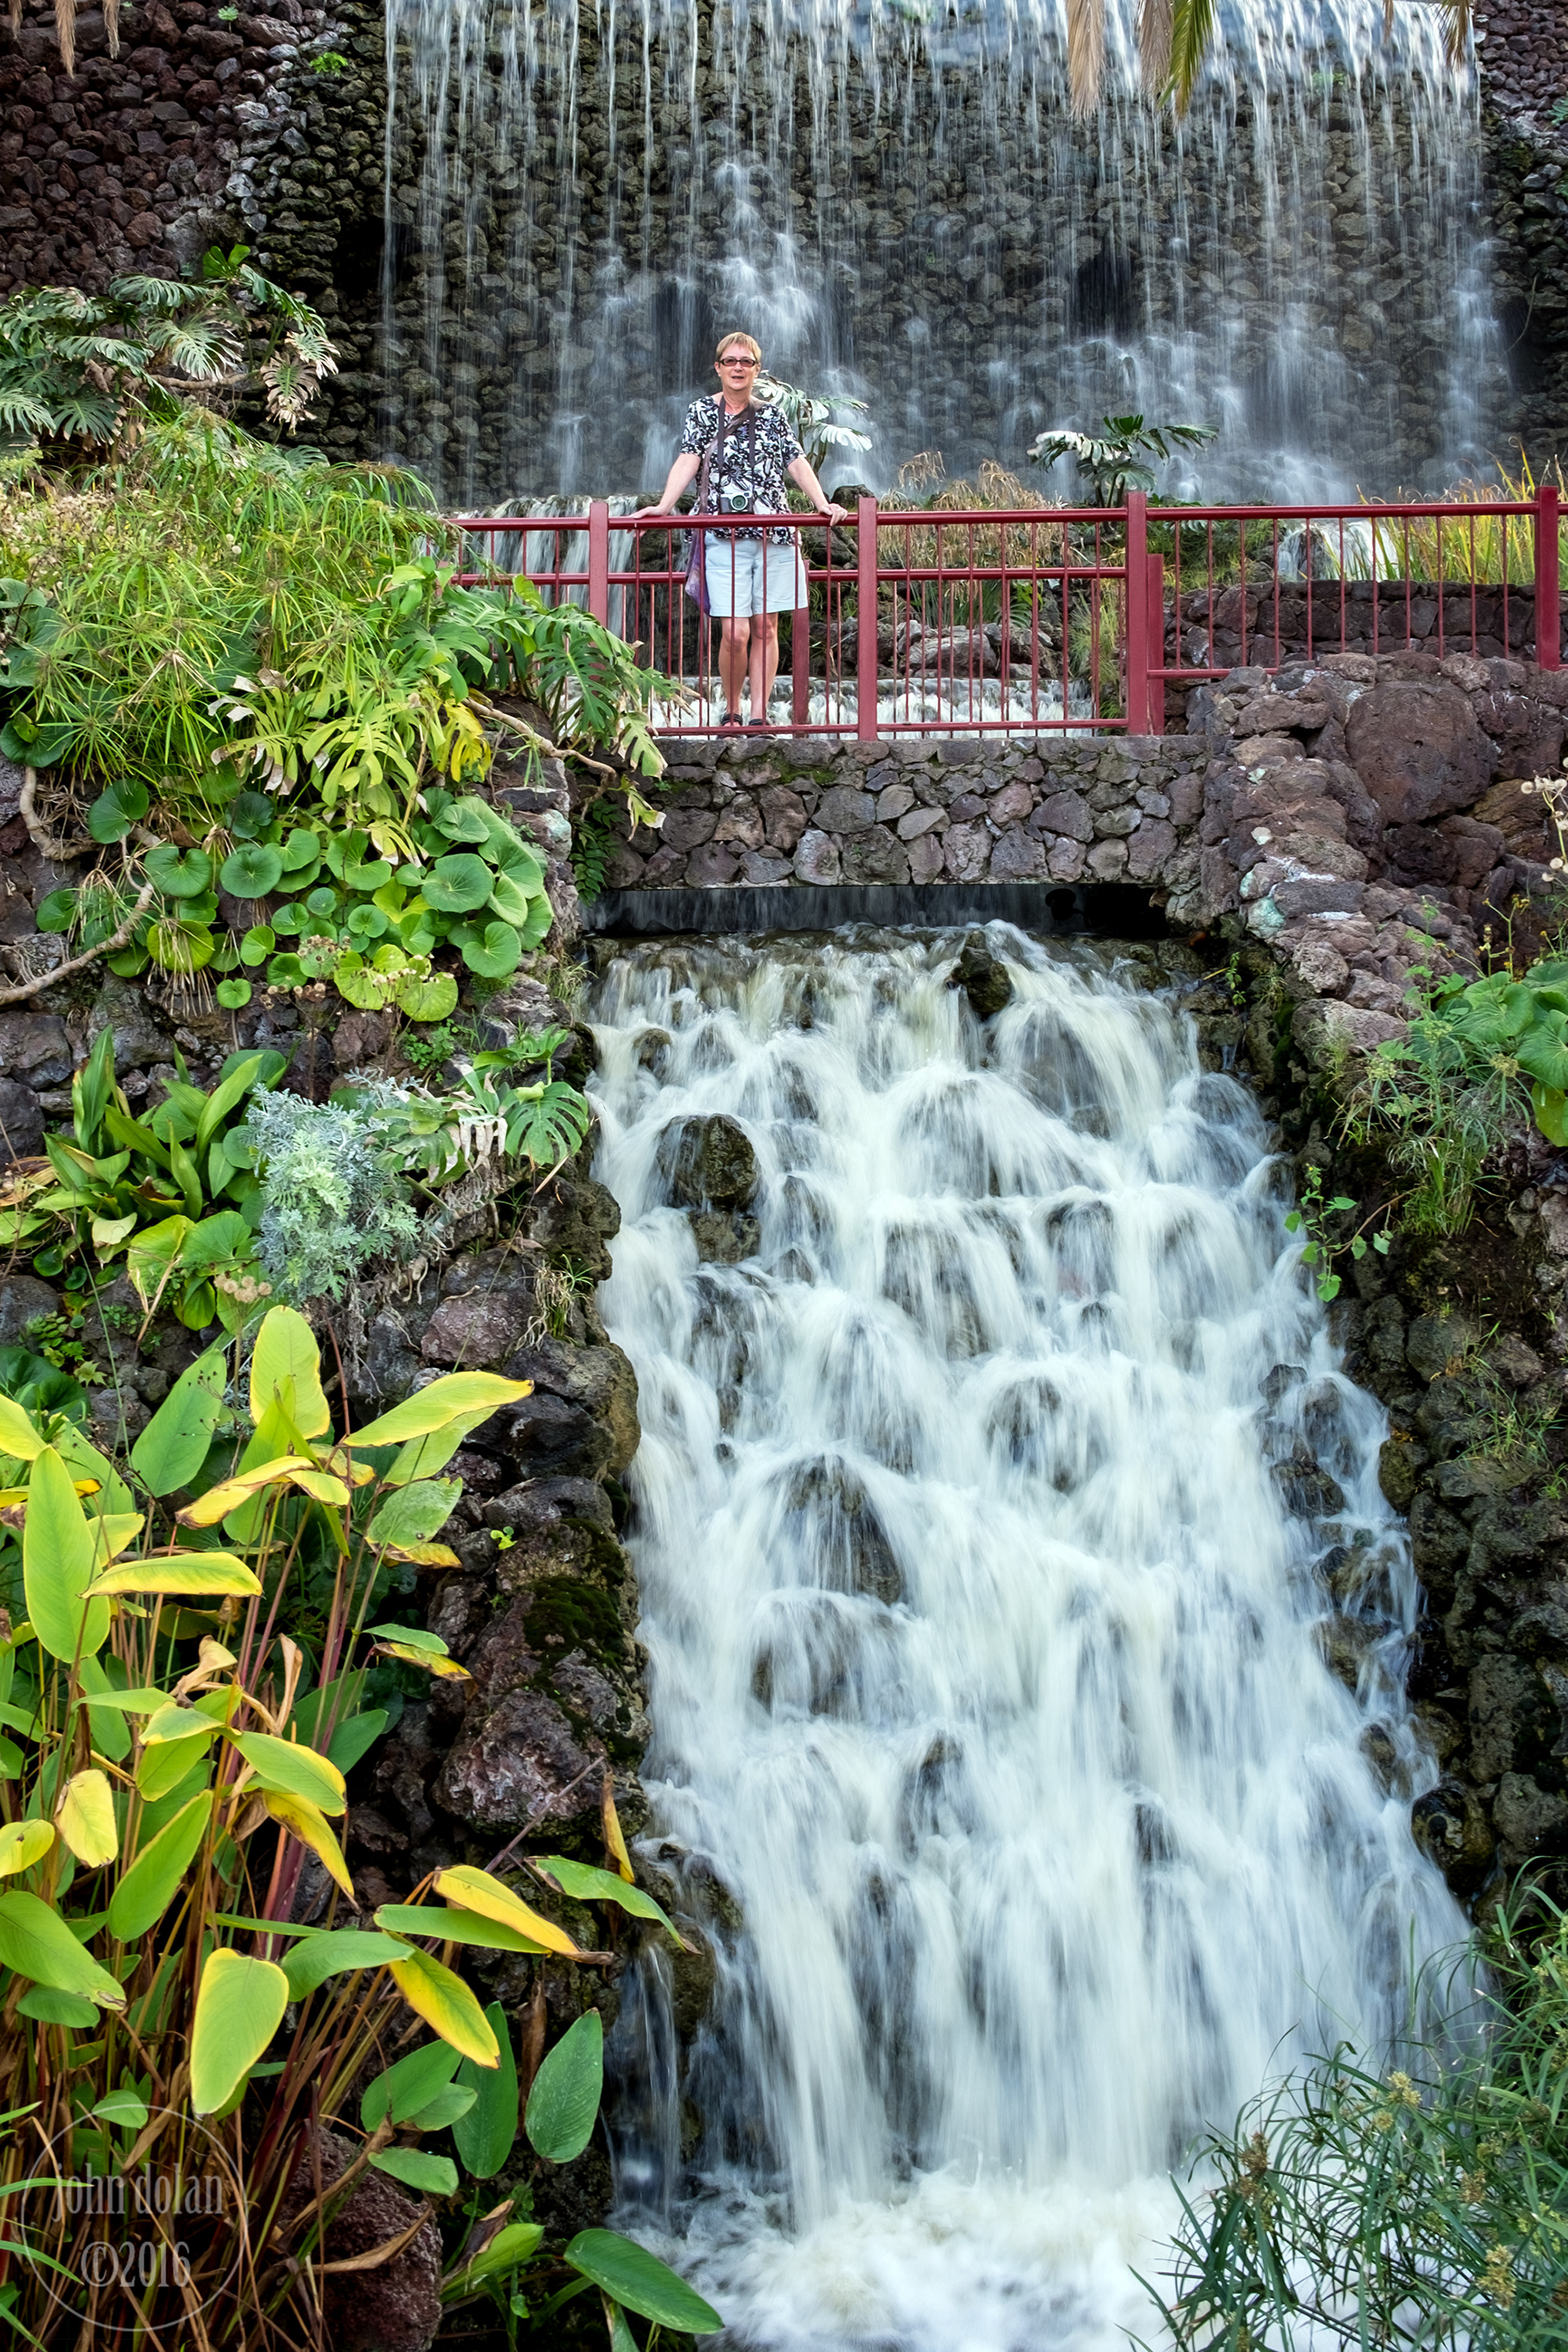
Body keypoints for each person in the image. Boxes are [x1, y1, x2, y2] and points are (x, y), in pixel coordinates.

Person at [635, 332, 849, 730]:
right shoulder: (701, 412)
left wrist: (821, 503)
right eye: (730, 361)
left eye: (746, 362)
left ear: (757, 369)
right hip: (723, 534)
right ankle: (731, 709)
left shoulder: (772, 415)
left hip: (775, 532)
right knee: (734, 631)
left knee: (766, 627)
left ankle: (758, 715)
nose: (738, 368)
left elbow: (796, 461)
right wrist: (664, 506)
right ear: (718, 367)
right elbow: (688, 458)